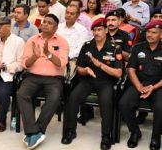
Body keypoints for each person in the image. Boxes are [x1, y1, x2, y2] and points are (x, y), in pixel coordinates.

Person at [62, 18, 123, 150]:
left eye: (99, 29)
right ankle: (70, 131)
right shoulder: (87, 45)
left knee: (106, 102)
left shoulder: (115, 48)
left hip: (106, 82)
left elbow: (118, 73)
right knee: (73, 97)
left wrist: (100, 65)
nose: (96, 33)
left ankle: (106, 136)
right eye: (94, 30)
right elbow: (78, 68)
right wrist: (85, 70)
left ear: (106, 30)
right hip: (88, 81)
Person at [18, 14, 69, 149]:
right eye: (44, 22)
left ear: (56, 27)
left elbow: (62, 64)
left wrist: (48, 54)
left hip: (54, 79)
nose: (45, 24)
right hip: (32, 77)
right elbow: (25, 64)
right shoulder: (32, 40)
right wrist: (35, 56)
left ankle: (37, 130)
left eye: (50, 23)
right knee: (22, 94)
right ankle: (34, 131)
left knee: (54, 97)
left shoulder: (62, 42)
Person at [119, 20, 162, 150]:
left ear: (161, 35)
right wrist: (138, 86)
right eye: (148, 32)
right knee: (124, 103)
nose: (150, 35)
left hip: (158, 86)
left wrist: (153, 87)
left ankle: (155, 137)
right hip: (140, 83)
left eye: (154, 32)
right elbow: (131, 69)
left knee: (160, 107)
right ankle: (135, 132)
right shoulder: (138, 47)